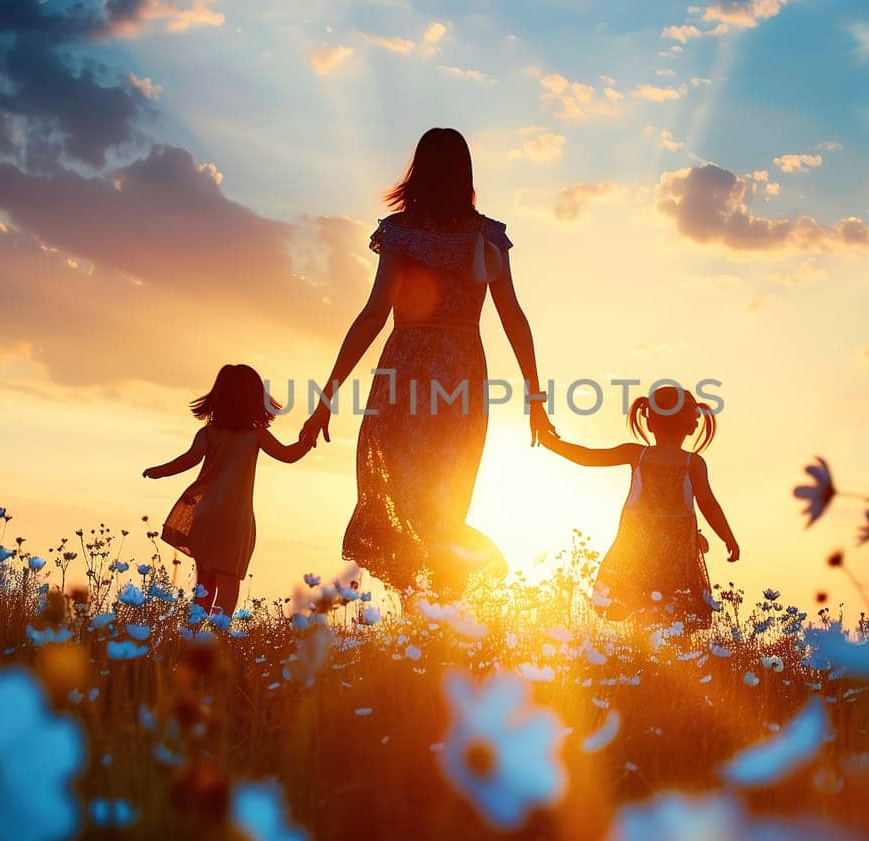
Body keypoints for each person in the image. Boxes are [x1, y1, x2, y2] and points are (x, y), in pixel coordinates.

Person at [300, 128, 554, 596]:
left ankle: (445, 597)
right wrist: (535, 398)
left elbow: (375, 314)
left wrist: (327, 398)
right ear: (465, 173)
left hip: (407, 371)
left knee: (409, 496)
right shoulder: (479, 235)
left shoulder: (412, 233)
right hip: (459, 373)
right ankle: (434, 610)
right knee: (434, 498)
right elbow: (513, 319)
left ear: (419, 170)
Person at [538, 385, 739, 626]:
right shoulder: (692, 462)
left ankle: (645, 655)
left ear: (650, 422)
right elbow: (708, 503)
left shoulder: (639, 454)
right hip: (670, 554)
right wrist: (727, 537)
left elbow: (588, 457)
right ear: (689, 425)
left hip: (640, 549)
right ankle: (663, 659)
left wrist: (551, 443)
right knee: (674, 618)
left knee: (641, 612)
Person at [144, 363, 314, 612]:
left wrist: (158, 471)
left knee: (204, 586)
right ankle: (216, 641)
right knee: (228, 588)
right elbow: (288, 455)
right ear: (256, 400)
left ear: (218, 398)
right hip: (234, 519)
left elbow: (188, 460)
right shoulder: (257, 435)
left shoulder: (208, 433)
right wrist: (308, 440)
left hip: (203, 514)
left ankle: (191, 640)